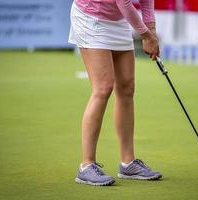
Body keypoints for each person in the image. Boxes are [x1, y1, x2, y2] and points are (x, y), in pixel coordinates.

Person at [68, 0, 161, 186]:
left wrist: (152, 32)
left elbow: (147, 2)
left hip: (118, 20)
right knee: (103, 87)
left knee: (127, 87)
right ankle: (86, 166)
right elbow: (124, 2)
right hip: (91, 18)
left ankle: (128, 163)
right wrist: (145, 35)